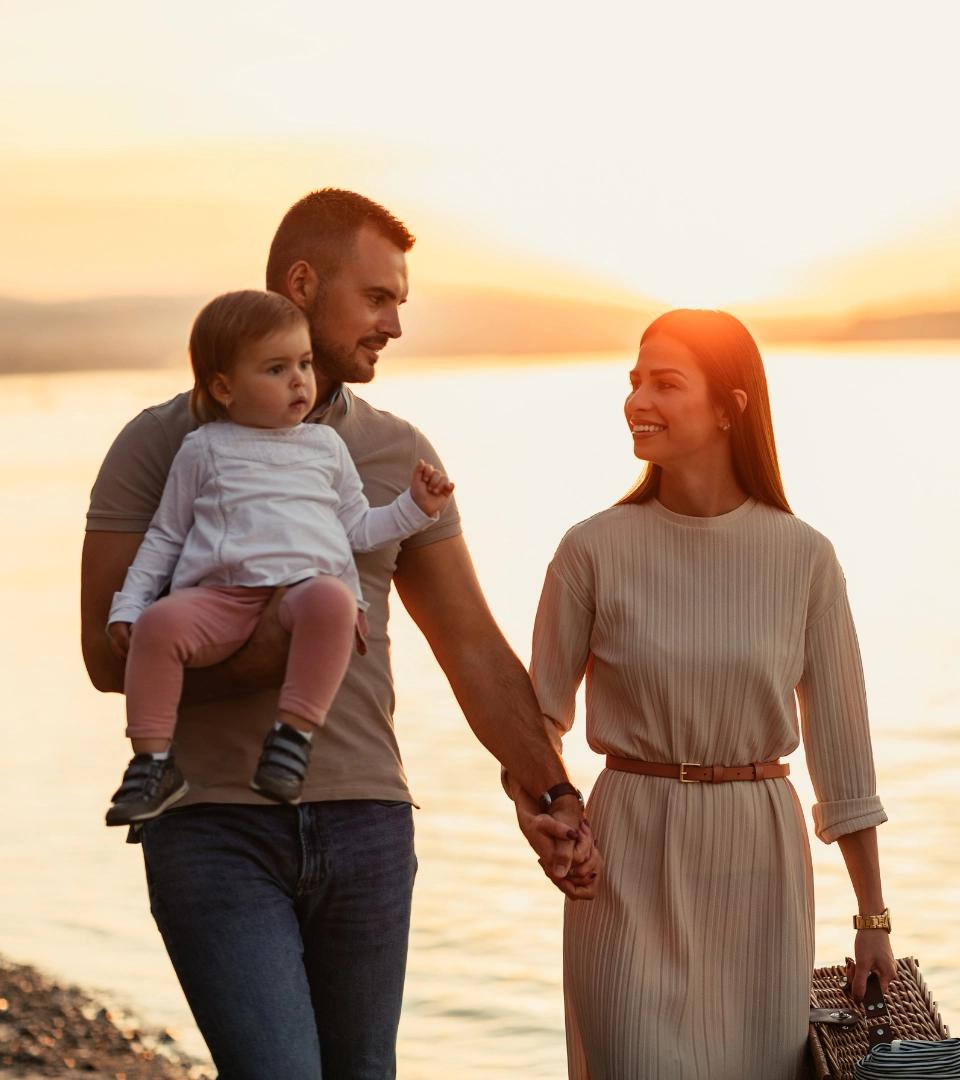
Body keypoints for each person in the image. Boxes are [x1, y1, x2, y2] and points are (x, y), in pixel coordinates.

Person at [81, 189, 598, 1079]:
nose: (395, 323)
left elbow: (471, 646)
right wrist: (274, 648)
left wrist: (551, 794)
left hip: (366, 823)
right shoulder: (161, 445)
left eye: (401, 301)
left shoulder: (395, 454)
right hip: (213, 828)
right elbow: (105, 656)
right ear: (304, 282)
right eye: (379, 297)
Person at [524, 309, 896, 1079]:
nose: (637, 400)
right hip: (625, 856)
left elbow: (845, 755)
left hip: (759, 865)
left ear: (730, 406)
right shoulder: (591, 548)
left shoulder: (804, 557)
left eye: (665, 382)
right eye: (634, 380)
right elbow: (535, 722)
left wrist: (873, 921)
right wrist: (550, 812)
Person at [104, 289, 455, 823]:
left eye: (304, 363)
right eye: (275, 369)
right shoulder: (204, 447)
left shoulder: (324, 448)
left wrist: (417, 507)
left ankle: (291, 738)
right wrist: (129, 606)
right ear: (224, 388)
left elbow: (359, 529)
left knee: (334, 603)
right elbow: (166, 536)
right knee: (158, 626)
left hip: (301, 592)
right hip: (219, 598)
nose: (298, 380)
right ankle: (153, 762)